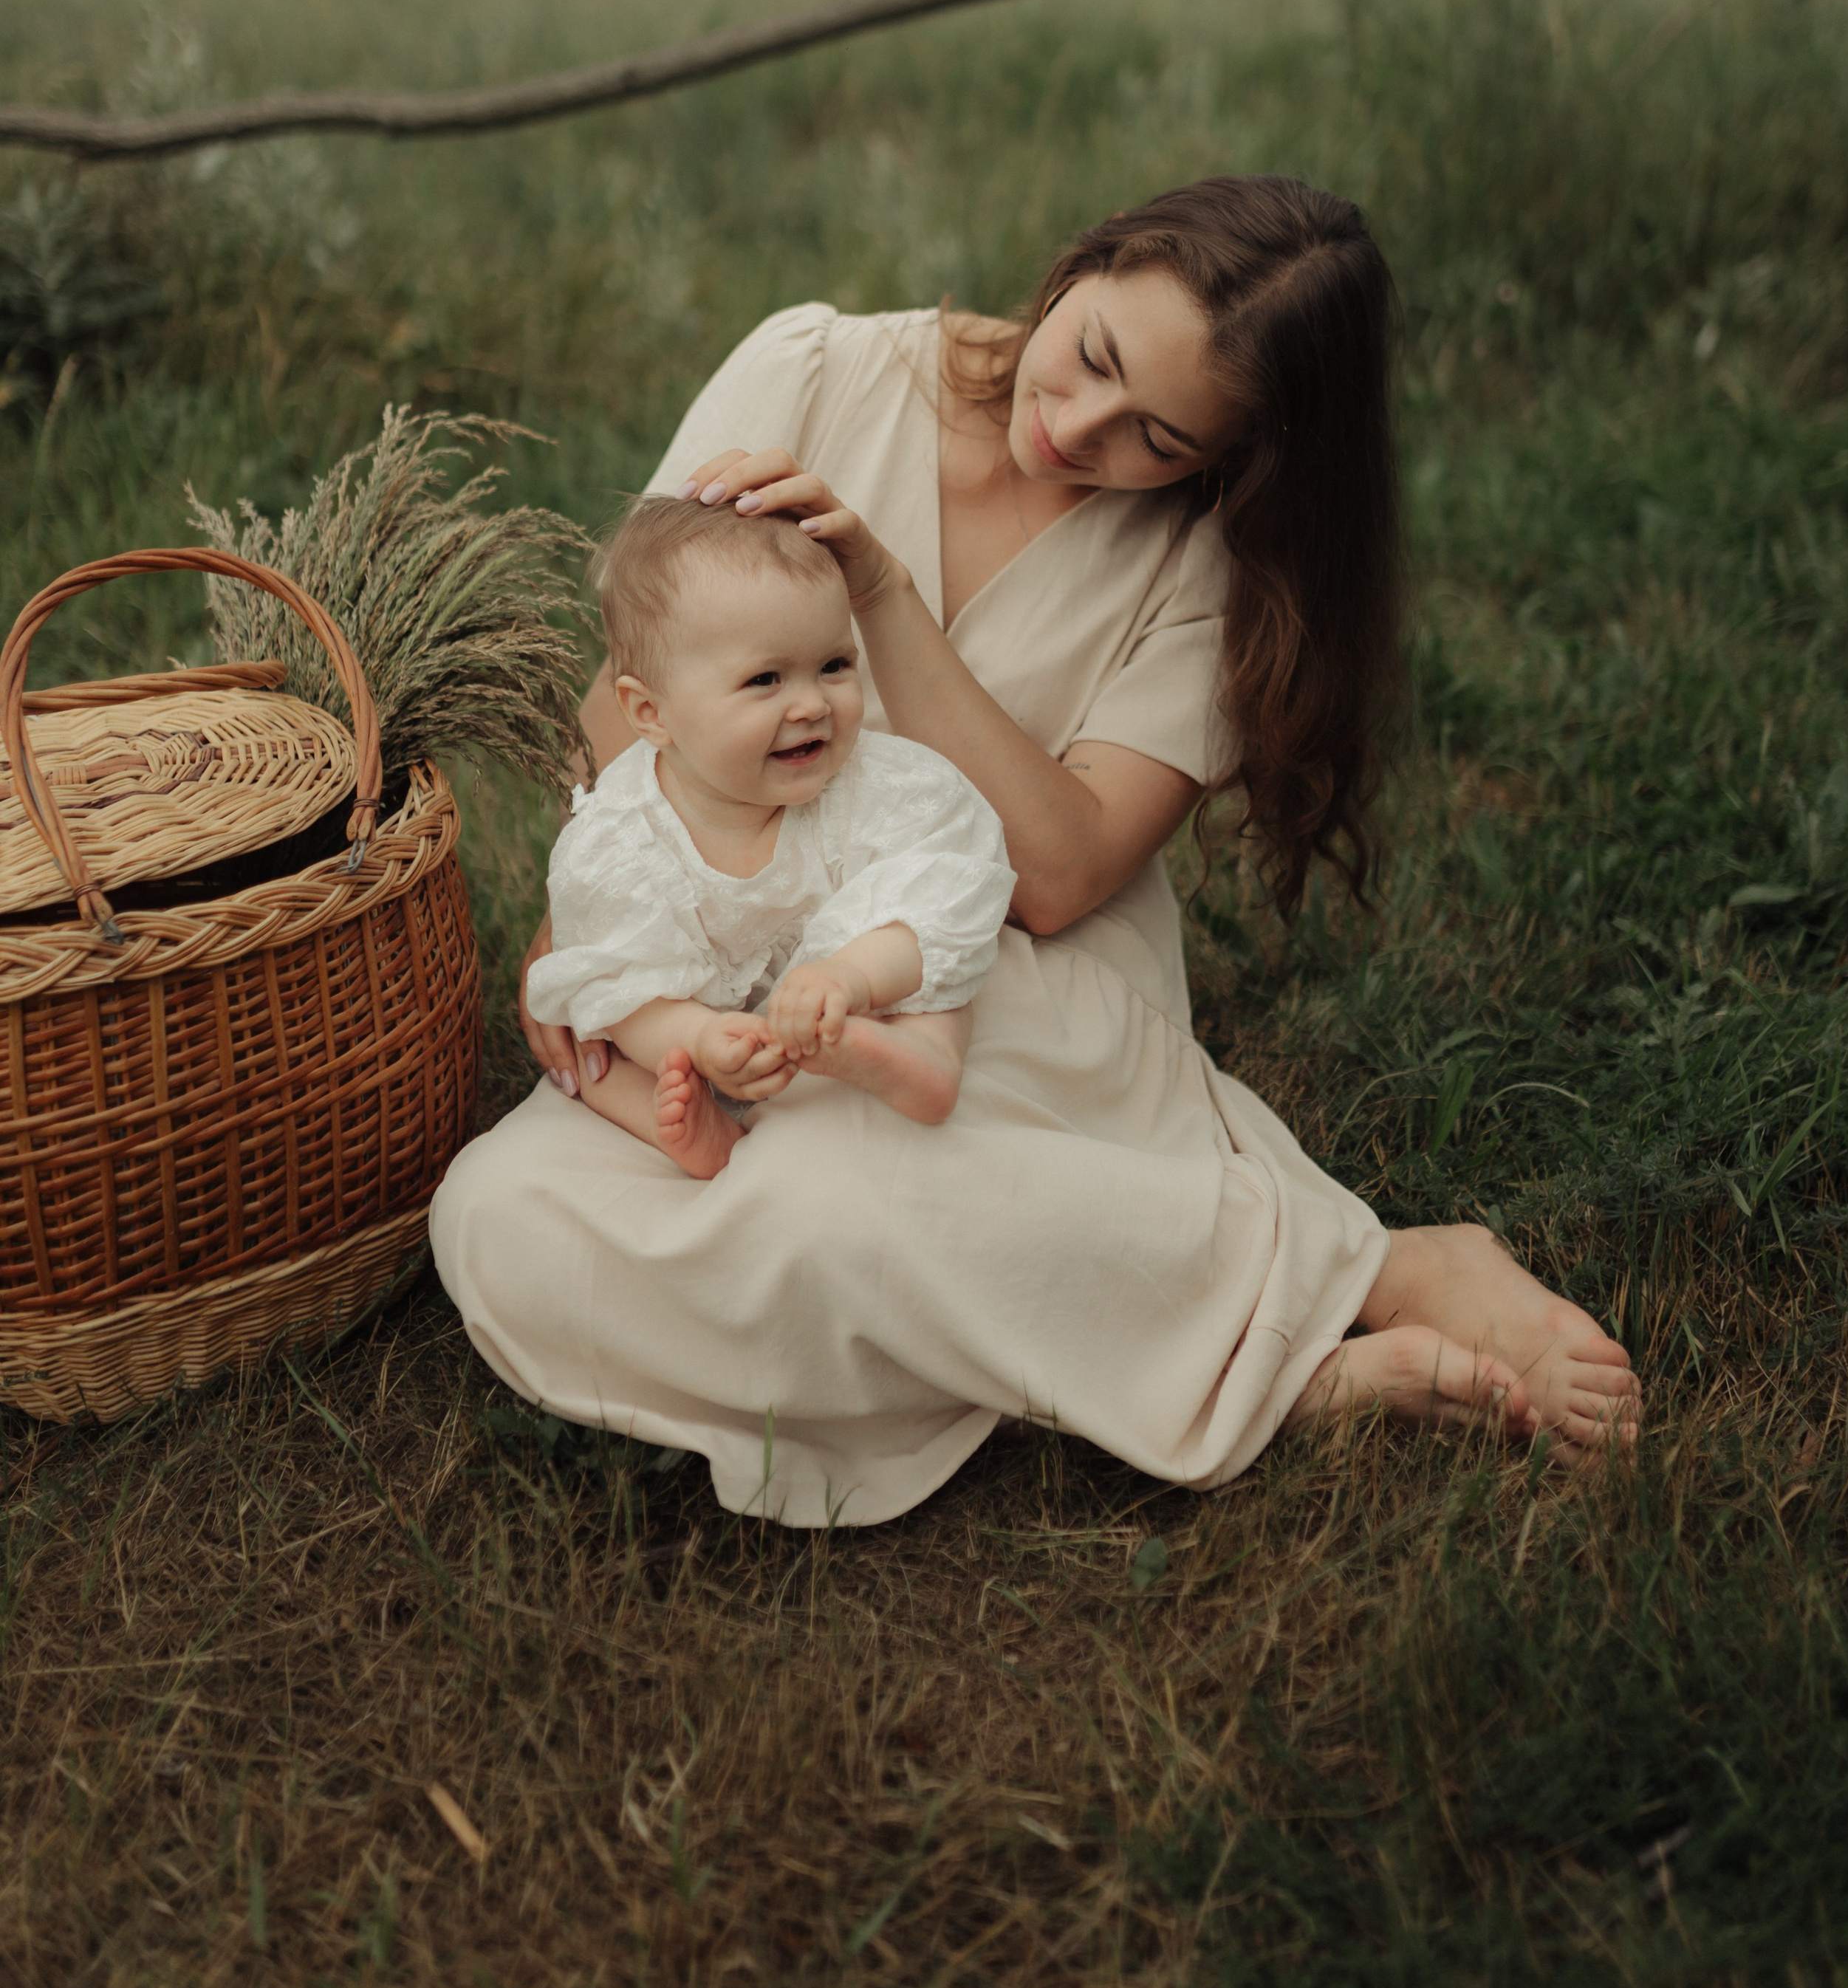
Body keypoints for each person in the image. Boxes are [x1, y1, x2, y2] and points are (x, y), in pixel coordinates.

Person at [431, 174, 1640, 1523]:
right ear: (1087, 264)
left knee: (834, 1183)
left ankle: (1368, 1278)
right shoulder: (812, 370)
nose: (1075, 428)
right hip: (725, 952)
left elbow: (1060, 876)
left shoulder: (1202, 563)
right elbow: (628, 692)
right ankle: (1233, 1369)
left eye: (1157, 437)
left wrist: (886, 600)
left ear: (1228, 458)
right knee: (498, 1216)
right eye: (1095, 358)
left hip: (993, 978)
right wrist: (603, 910)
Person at [524, 496, 1015, 1179]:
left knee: (936, 963)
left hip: (850, 997)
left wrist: (851, 976)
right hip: (708, 1027)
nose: (813, 704)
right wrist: (696, 1035)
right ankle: (697, 1135)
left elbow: (940, 892)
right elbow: (625, 983)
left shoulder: (880, 788)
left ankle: (926, 1059)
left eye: (834, 667)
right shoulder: (620, 843)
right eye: (765, 679)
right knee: (600, 1047)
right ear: (650, 712)